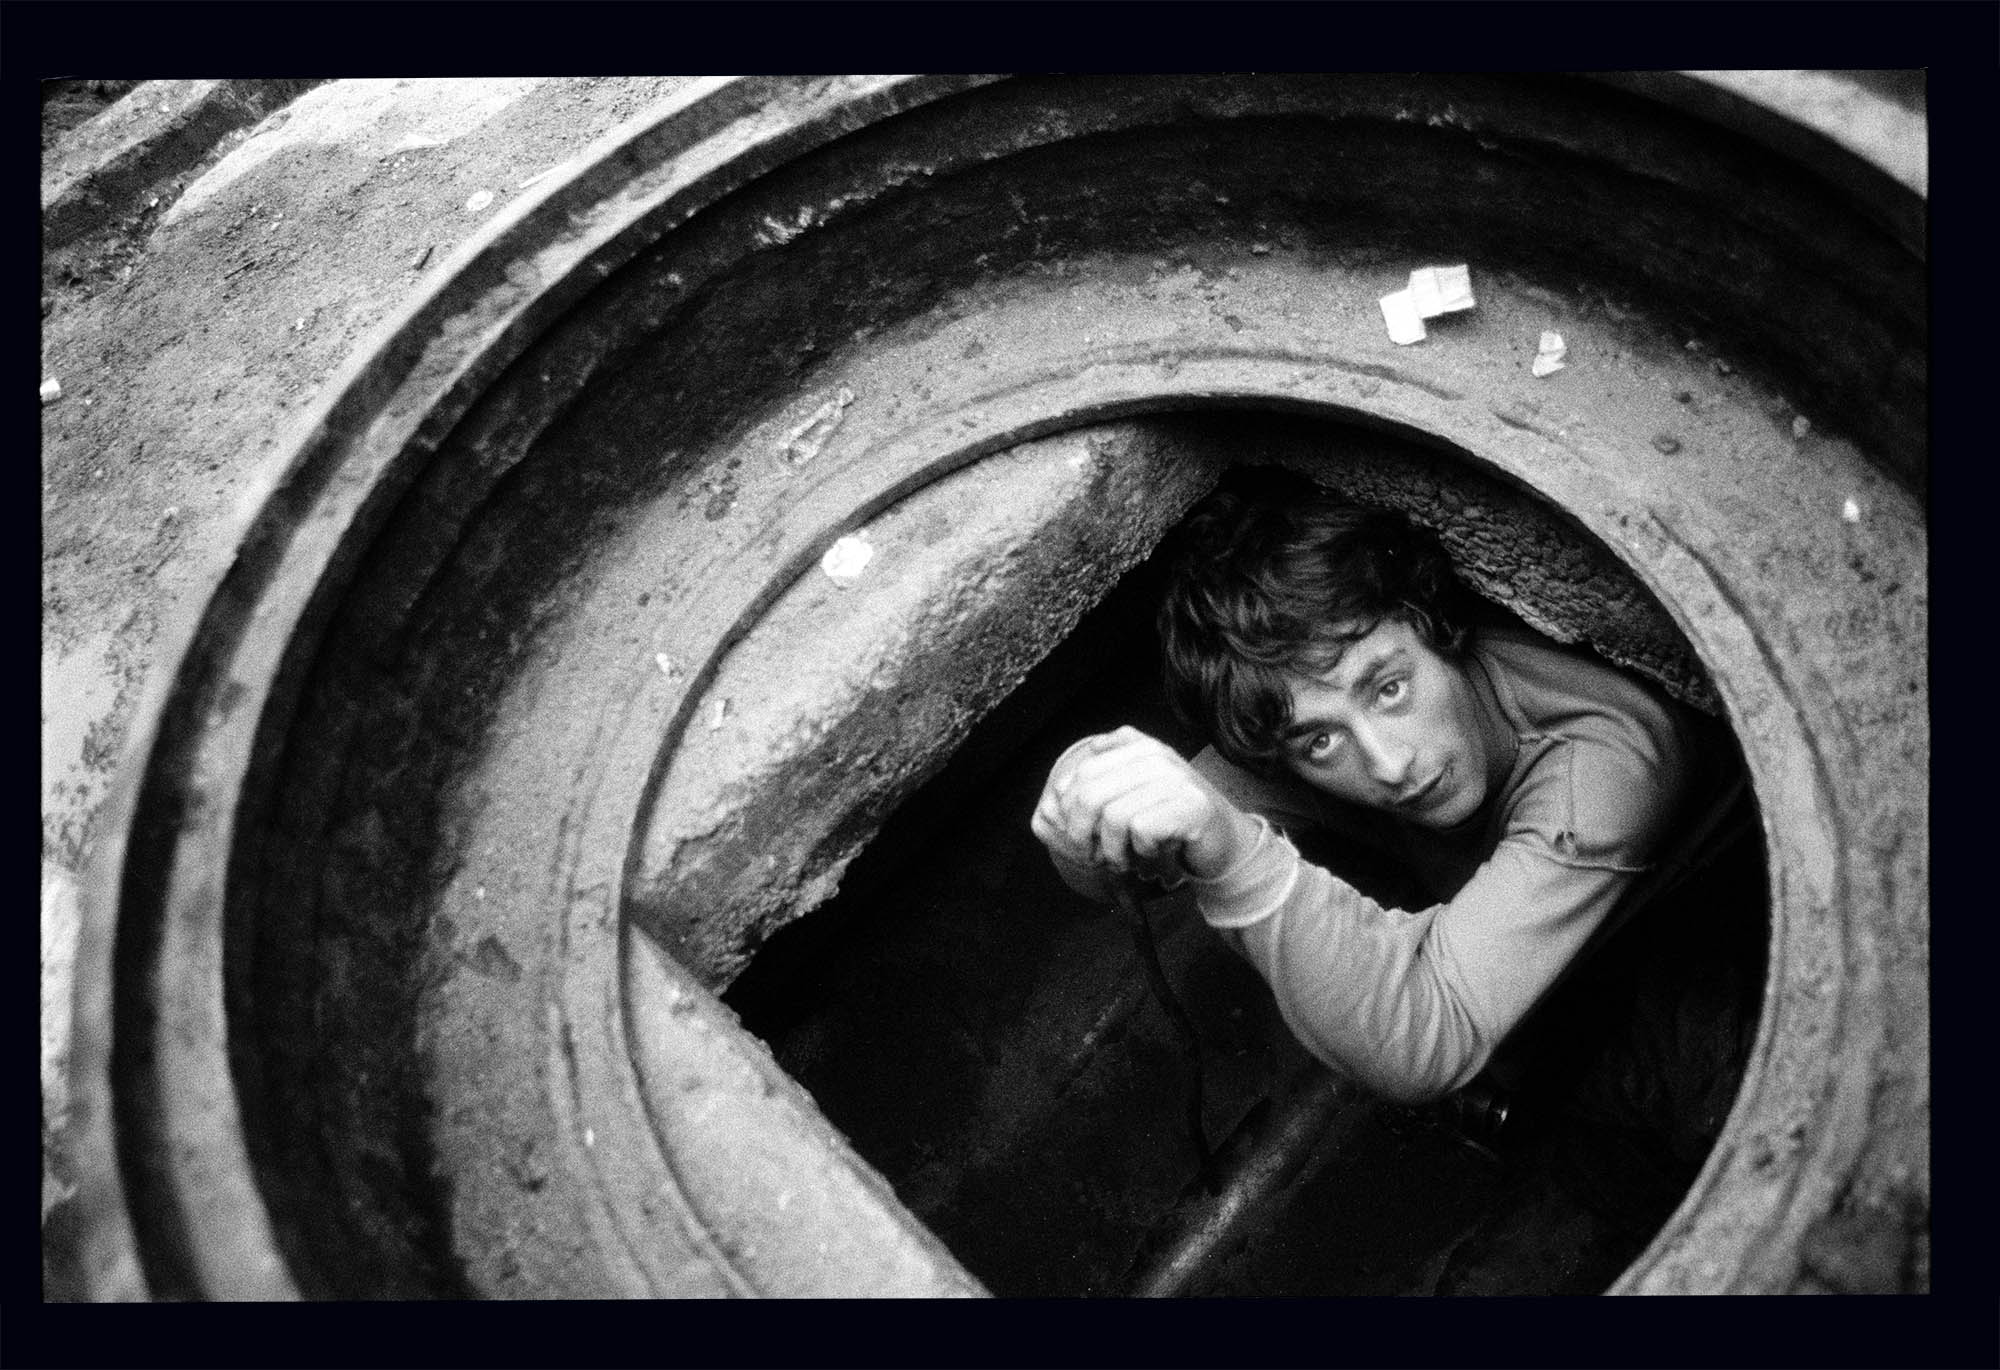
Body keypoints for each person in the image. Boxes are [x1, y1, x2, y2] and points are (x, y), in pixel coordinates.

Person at [1030, 469, 1707, 1108]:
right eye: (1321, 740)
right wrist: (1081, 784)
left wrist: (1240, 862)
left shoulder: (1606, 758)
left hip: (1682, 939)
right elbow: (1109, 872)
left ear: (1435, 623)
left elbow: (1426, 1041)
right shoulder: (1306, 736)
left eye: (1389, 688)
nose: (1389, 764)